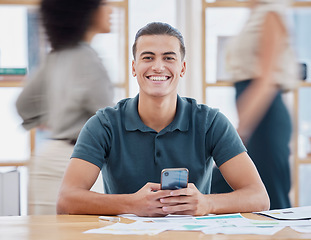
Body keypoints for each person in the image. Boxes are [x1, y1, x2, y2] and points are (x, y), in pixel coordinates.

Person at [57, 22, 269, 217]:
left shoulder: (210, 122)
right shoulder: (103, 125)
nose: (158, 67)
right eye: (148, 57)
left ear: (182, 68)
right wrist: (132, 204)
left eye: (169, 58)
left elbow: (259, 197)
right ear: (134, 67)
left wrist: (207, 203)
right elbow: (67, 199)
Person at [16, 0, 114, 215]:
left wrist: (52, 119)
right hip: (78, 163)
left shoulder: (56, 56)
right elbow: (109, 121)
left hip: (48, 157)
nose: (111, 10)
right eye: (105, 3)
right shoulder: (88, 58)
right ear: (87, 10)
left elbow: (23, 103)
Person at [211, 0, 299, 210]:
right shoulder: (254, 15)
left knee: (272, 199)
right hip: (256, 116)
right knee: (221, 186)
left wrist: (241, 130)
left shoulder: (271, 14)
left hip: (264, 116)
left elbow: (266, 80)